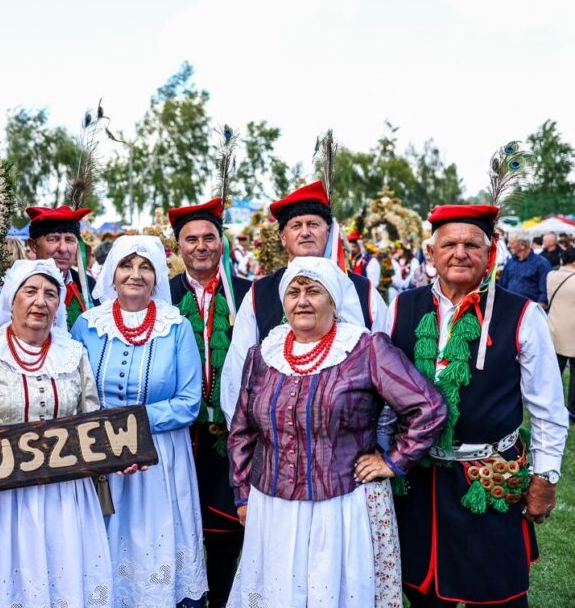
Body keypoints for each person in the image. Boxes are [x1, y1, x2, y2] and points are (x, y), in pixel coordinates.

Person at [227, 256, 447, 607]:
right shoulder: (263, 353)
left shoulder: (364, 349)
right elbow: (242, 430)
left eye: (314, 291)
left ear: (334, 300)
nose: (302, 300)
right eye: (294, 292)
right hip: (273, 505)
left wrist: (394, 460)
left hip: (340, 507)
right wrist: (242, 494)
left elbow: (428, 407)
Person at [389, 204, 569, 607]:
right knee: (421, 592)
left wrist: (545, 479)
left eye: (472, 244)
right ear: (430, 254)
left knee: (500, 596)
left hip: (489, 481)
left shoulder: (523, 314)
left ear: (490, 255)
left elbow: (548, 409)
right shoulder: (400, 307)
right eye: (449, 244)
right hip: (419, 484)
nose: (460, 253)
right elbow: (382, 396)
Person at [0, 258, 112, 606]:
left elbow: (91, 418)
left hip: (65, 494)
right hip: (3, 496)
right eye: (30, 291)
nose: (41, 301)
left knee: (64, 581)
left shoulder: (74, 356)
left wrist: (113, 452)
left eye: (51, 294)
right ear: (11, 299)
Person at [71, 235, 208, 606]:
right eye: (126, 265)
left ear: (157, 276)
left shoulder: (175, 326)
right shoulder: (87, 325)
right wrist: (106, 434)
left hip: (159, 459)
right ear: (112, 274)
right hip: (101, 456)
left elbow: (188, 402)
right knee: (104, 545)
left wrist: (130, 425)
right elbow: (71, 390)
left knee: (155, 541)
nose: (135, 274)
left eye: (145, 266)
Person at [222, 181, 390, 428]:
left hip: (349, 439)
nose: (305, 232)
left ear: (329, 232)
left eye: (313, 224)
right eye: (295, 226)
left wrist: (381, 441)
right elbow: (238, 369)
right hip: (276, 439)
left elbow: (387, 369)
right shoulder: (259, 293)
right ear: (282, 236)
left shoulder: (363, 291)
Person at [166, 197, 252, 607]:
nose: (201, 246)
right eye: (191, 239)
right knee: (175, 528)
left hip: (230, 438)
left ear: (222, 243)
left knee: (224, 532)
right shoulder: (162, 297)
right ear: (177, 247)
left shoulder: (250, 296)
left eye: (209, 238)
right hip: (177, 436)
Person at [23, 205, 98, 328]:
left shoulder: (88, 285)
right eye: (53, 239)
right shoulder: (18, 284)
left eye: (70, 240)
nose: (63, 248)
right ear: (33, 246)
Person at [547, 246, 575, 421]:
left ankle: (550, 403)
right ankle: (572, 408)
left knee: (553, 370)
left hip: (554, 328)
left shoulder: (551, 276)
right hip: (572, 330)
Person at [501, 231, 551, 304]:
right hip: (509, 307)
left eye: (511, 243)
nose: (508, 245)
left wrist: (537, 309)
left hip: (528, 310)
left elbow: (545, 292)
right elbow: (503, 286)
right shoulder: (510, 262)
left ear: (522, 245)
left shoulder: (541, 263)